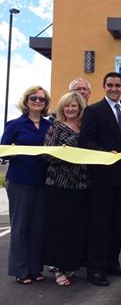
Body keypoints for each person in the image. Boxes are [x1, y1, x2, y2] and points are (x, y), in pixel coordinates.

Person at [79, 72, 121, 287]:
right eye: (110, 85)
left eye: (117, 85)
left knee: (117, 222)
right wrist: (105, 153)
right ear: (104, 86)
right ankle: (95, 269)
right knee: (99, 224)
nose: (114, 89)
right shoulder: (94, 111)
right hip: (102, 177)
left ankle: (112, 263)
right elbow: (86, 141)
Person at [1, 86, 52, 284]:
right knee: (21, 226)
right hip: (20, 181)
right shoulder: (15, 125)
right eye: (33, 98)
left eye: (42, 99)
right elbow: (3, 151)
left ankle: (35, 268)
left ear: (46, 103)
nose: (37, 101)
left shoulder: (50, 126)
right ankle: (21, 270)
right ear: (26, 101)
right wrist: (11, 151)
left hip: (42, 181)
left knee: (38, 226)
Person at [43, 92, 88, 286]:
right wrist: (63, 152)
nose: (70, 109)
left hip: (81, 185)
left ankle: (70, 264)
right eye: (67, 106)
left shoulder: (84, 128)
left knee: (75, 227)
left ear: (80, 108)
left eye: (74, 106)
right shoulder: (56, 127)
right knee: (58, 228)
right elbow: (46, 155)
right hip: (59, 185)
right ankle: (57, 268)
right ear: (62, 108)